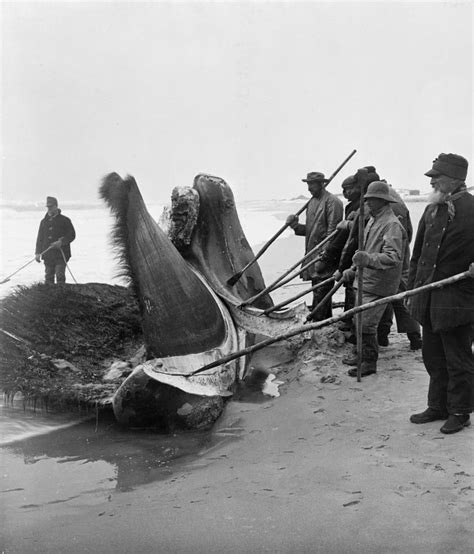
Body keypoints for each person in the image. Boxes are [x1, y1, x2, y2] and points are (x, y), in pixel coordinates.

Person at [408, 153, 474, 434]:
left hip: (458, 299)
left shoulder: (472, 209)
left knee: (458, 359)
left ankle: (460, 412)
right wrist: (412, 290)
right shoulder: (431, 210)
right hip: (428, 298)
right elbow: (418, 254)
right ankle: (437, 405)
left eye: (437, 176)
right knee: (433, 356)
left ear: (456, 180)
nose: (432, 180)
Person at [341, 181, 405, 377]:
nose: (366, 203)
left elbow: (393, 257)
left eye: (370, 200)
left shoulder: (391, 225)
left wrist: (367, 260)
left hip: (379, 284)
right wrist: (353, 268)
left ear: (381, 201)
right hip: (365, 279)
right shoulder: (372, 220)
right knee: (359, 319)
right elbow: (364, 251)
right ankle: (361, 355)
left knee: (367, 323)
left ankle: (369, 363)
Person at [286, 171, 343, 320]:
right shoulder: (311, 203)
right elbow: (312, 231)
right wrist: (295, 226)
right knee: (317, 291)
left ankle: (320, 323)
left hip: (325, 256)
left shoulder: (333, 202)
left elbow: (333, 234)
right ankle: (322, 321)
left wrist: (324, 258)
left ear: (322, 184)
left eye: (312, 184)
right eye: (308, 184)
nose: (309, 188)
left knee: (322, 291)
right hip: (312, 254)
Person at [35, 196, 76, 284]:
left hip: (61, 254)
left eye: (51, 206)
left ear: (56, 206)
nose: (49, 209)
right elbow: (40, 239)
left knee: (60, 275)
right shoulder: (43, 222)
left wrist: (61, 242)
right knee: (48, 276)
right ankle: (49, 297)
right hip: (47, 254)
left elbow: (72, 235)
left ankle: (61, 296)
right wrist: (37, 253)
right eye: (48, 207)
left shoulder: (65, 220)